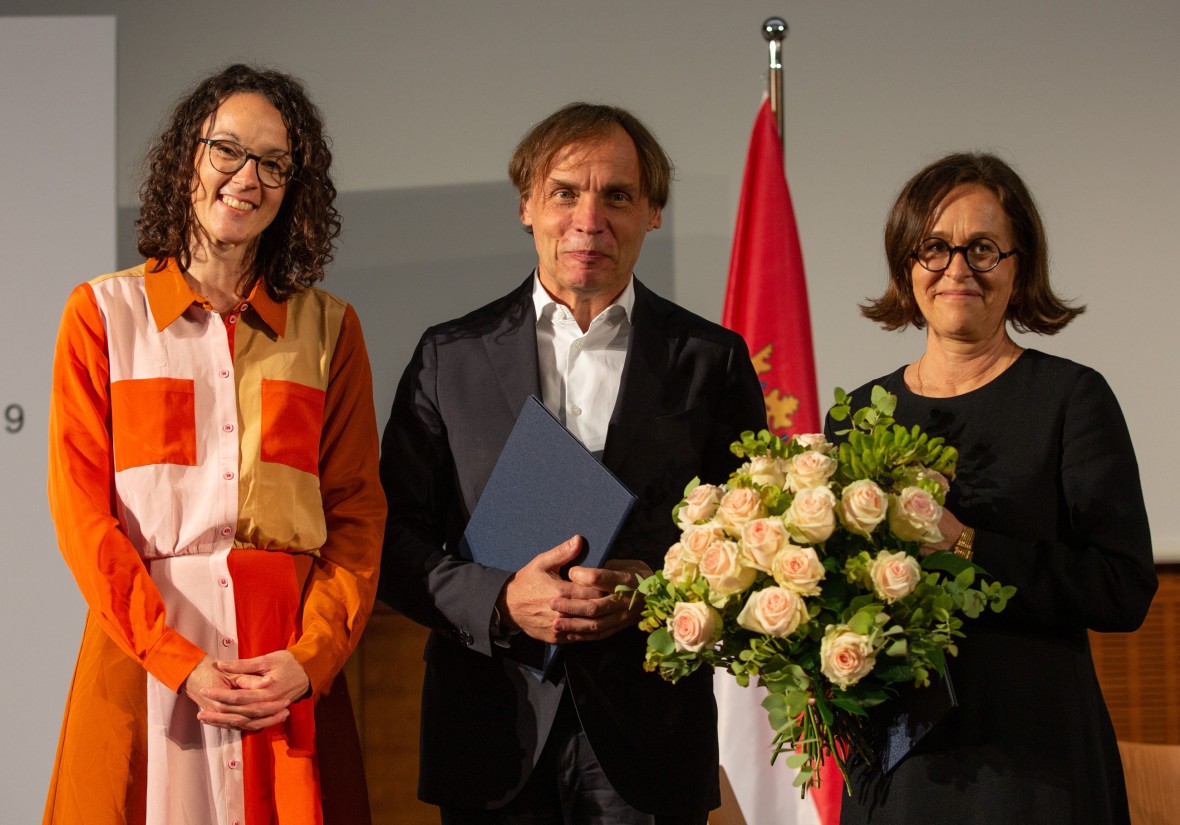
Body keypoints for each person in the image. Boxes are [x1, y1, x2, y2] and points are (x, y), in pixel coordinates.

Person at [379, 102, 766, 824]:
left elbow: (752, 543)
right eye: (565, 192)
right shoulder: (448, 357)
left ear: (653, 211)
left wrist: (653, 585)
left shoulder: (710, 361)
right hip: (490, 730)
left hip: (649, 735)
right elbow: (390, 539)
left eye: (617, 194)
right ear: (526, 205)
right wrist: (499, 600)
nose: (590, 218)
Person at [44, 64, 385, 825]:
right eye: (227, 149)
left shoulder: (330, 329)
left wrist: (311, 659)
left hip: (282, 670)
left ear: (294, 186)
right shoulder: (102, 314)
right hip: (142, 661)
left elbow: (357, 516)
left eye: (273, 162)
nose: (246, 177)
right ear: (187, 157)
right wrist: (177, 661)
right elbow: (84, 517)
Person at [831, 152, 1156, 824]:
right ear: (905, 264)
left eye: (982, 247)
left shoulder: (1070, 398)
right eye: (935, 247)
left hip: (1034, 766)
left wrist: (965, 541)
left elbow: (1122, 589)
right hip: (897, 768)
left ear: (1019, 266)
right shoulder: (858, 414)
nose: (958, 269)